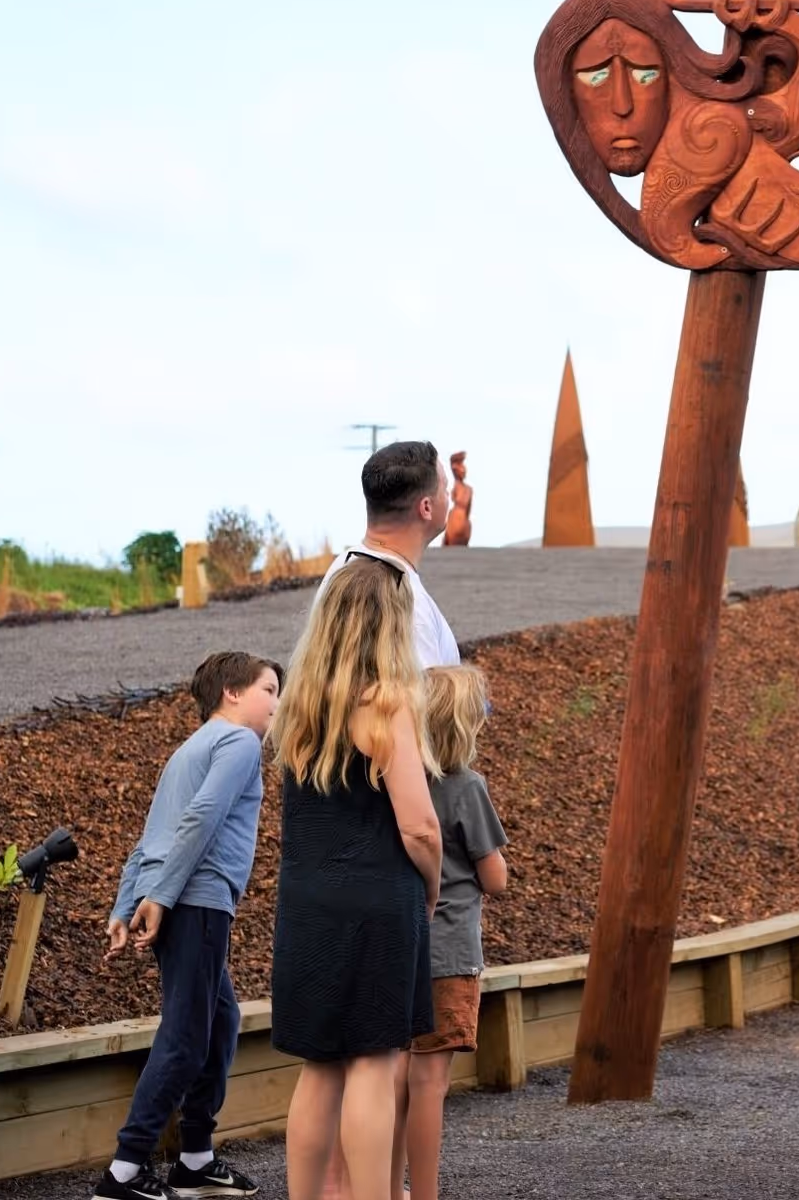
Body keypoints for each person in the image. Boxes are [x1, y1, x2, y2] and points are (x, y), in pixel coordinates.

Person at [313, 439, 460, 1200]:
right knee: (376, 1057)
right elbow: (418, 726)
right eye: (449, 490)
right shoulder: (389, 595)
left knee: (327, 1060)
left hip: (327, 856)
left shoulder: (340, 586)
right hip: (388, 843)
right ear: (429, 506)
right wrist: (433, 867)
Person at [270, 558, 442, 1200]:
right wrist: (429, 885)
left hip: (307, 902)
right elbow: (420, 826)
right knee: (373, 1062)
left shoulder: (297, 709)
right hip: (375, 901)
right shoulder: (386, 703)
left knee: (319, 1069)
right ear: (387, 624)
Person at [94, 652, 282, 1200]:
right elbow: (202, 817)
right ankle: (124, 1172)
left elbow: (147, 839)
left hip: (174, 895)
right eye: (269, 689)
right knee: (185, 1037)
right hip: (195, 900)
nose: (277, 701)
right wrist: (161, 896)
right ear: (231, 692)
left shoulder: (186, 750)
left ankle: (195, 1160)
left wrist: (125, 907)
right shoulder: (239, 743)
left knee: (219, 1022)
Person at [396, 665, 508, 1200]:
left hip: (396, 951)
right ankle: (426, 1195)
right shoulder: (467, 787)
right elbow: (496, 877)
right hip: (450, 956)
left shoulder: (392, 781)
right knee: (428, 1086)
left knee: (390, 1083)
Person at [320, 439, 459, 671]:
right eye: (445, 488)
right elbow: (426, 703)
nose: (449, 497)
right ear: (426, 507)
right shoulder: (407, 605)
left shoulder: (341, 568)